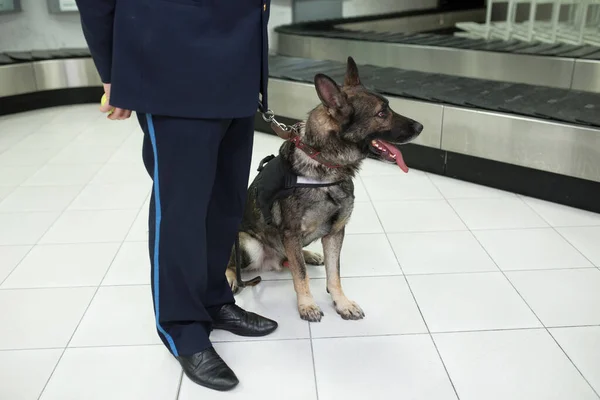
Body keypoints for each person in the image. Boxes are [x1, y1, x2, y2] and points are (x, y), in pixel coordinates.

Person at [75, 0, 277, 392]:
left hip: (236, 64)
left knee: (225, 201)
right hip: (168, 64)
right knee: (182, 208)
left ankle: (214, 298)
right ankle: (181, 325)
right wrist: (111, 68)